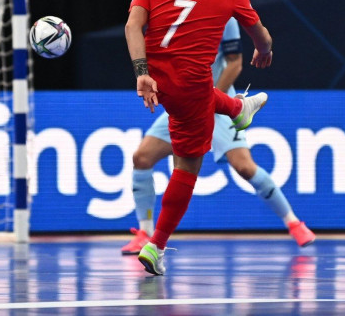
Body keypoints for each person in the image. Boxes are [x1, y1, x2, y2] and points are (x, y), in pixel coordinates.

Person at [124, 0, 273, 276]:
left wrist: (141, 72)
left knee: (201, 100)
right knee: (187, 169)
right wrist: (264, 51)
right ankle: (156, 245)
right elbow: (261, 35)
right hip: (191, 87)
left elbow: (133, 26)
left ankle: (239, 108)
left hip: (160, 81)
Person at [121, 18, 315, 256]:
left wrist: (212, 101)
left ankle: (294, 223)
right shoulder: (177, 14)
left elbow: (234, 64)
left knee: (245, 167)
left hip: (220, 103)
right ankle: (145, 233)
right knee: (142, 158)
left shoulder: (225, 18)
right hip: (187, 105)